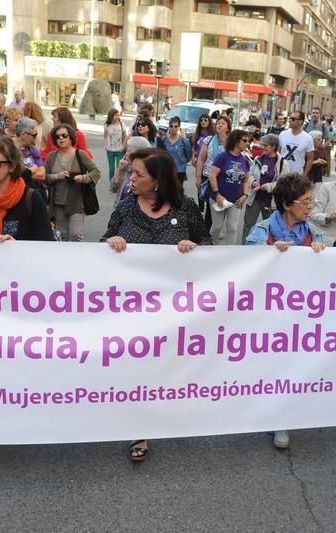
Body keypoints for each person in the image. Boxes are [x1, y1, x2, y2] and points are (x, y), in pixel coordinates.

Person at [103, 149, 210, 463]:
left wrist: (194, 248)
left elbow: (209, 247)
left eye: (138, 174)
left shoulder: (186, 208)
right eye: (131, 172)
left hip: (177, 310)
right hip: (132, 309)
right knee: (138, 369)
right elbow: (98, 253)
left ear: (158, 181)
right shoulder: (124, 209)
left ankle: (176, 412)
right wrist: (110, 244)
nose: (131, 178)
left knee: (170, 368)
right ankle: (140, 429)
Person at [245, 174, 326, 448]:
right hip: (268, 315)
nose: (310, 206)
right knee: (269, 367)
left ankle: (282, 419)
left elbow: (329, 272)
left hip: (301, 316)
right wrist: (267, 254)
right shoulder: (263, 230)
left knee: (291, 367)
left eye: (310, 200)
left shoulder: (313, 233)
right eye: (305, 201)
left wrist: (322, 254)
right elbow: (244, 264)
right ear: (287, 204)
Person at [43, 124, 101, 241]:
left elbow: (96, 172)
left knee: (75, 235)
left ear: (71, 138)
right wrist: (56, 176)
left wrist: (83, 178)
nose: (61, 138)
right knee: (62, 236)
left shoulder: (80, 154)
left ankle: (77, 258)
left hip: (77, 202)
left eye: (64, 135)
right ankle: (65, 259)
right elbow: (45, 178)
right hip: (57, 203)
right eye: (57, 136)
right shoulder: (51, 156)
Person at [209, 129, 251, 245]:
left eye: (248, 140)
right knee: (217, 227)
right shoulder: (222, 157)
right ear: (236, 141)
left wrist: (245, 195)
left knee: (233, 228)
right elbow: (212, 176)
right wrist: (217, 194)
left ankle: (230, 254)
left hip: (236, 200)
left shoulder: (245, 160)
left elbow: (246, 180)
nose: (247, 143)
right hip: (219, 197)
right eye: (244, 140)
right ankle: (210, 249)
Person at [242, 133, 284, 243]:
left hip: (271, 201)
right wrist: (254, 182)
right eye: (262, 145)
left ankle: (267, 250)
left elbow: (284, 182)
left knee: (270, 227)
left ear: (274, 146)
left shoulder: (282, 163)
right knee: (248, 225)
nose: (262, 147)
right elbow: (249, 174)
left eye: (265, 145)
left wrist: (269, 186)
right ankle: (243, 247)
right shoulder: (257, 159)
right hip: (255, 198)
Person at [197, 115, 232, 230]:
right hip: (209, 177)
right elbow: (201, 159)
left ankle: (217, 228)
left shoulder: (232, 142)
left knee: (224, 204)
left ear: (228, 128)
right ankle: (208, 231)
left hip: (225, 179)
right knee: (210, 206)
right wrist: (198, 177)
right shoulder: (209, 140)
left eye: (223, 123)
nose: (219, 125)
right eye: (218, 123)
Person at [112, 136, 151, 203]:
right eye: (126, 151)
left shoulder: (147, 171)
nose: (126, 154)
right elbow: (113, 188)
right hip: (120, 207)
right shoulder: (125, 166)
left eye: (129, 152)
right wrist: (119, 170)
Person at [279, 111, 314, 178]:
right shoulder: (283, 134)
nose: (289, 121)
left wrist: (304, 176)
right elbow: (278, 153)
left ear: (300, 122)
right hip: (281, 174)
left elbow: (310, 159)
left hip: (297, 176)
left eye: (292, 119)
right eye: (289, 118)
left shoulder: (308, 138)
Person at [13, 117, 46, 184]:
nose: (36, 138)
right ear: (23, 134)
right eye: (34, 135)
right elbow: (11, 175)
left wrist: (24, 175)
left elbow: (42, 176)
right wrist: (31, 171)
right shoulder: (9, 148)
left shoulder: (33, 149)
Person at [103, 108, 128, 192]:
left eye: (118, 114)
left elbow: (125, 136)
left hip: (120, 149)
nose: (117, 116)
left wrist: (124, 146)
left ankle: (118, 185)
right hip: (110, 149)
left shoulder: (122, 124)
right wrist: (105, 145)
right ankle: (112, 185)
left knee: (119, 167)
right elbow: (105, 136)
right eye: (115, 115)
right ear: (111, 116)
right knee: (111, 168)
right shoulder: (107, 125)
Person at [163, 116, 192, 182]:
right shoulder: (164, 139)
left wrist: (182, 162)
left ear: (179, 127)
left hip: (179, 170)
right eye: (171, 126)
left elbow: (188, 155)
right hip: (166, 170)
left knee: (178, 190)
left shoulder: (184, 141)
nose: (173, 128)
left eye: (176, 126)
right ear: (169, 127)